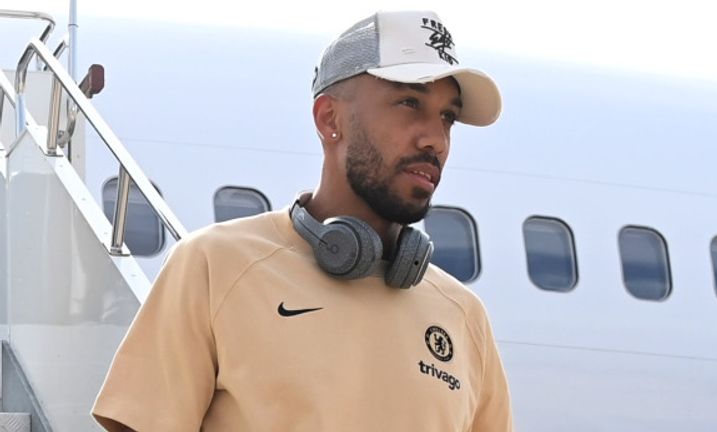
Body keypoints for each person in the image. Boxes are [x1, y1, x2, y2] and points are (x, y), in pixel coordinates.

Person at [92, 9, 512, 431]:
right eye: (409, 103)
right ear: (329, 119)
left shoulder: (463, 317)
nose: (435, 140)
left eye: (447, 117)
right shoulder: (214, 266)